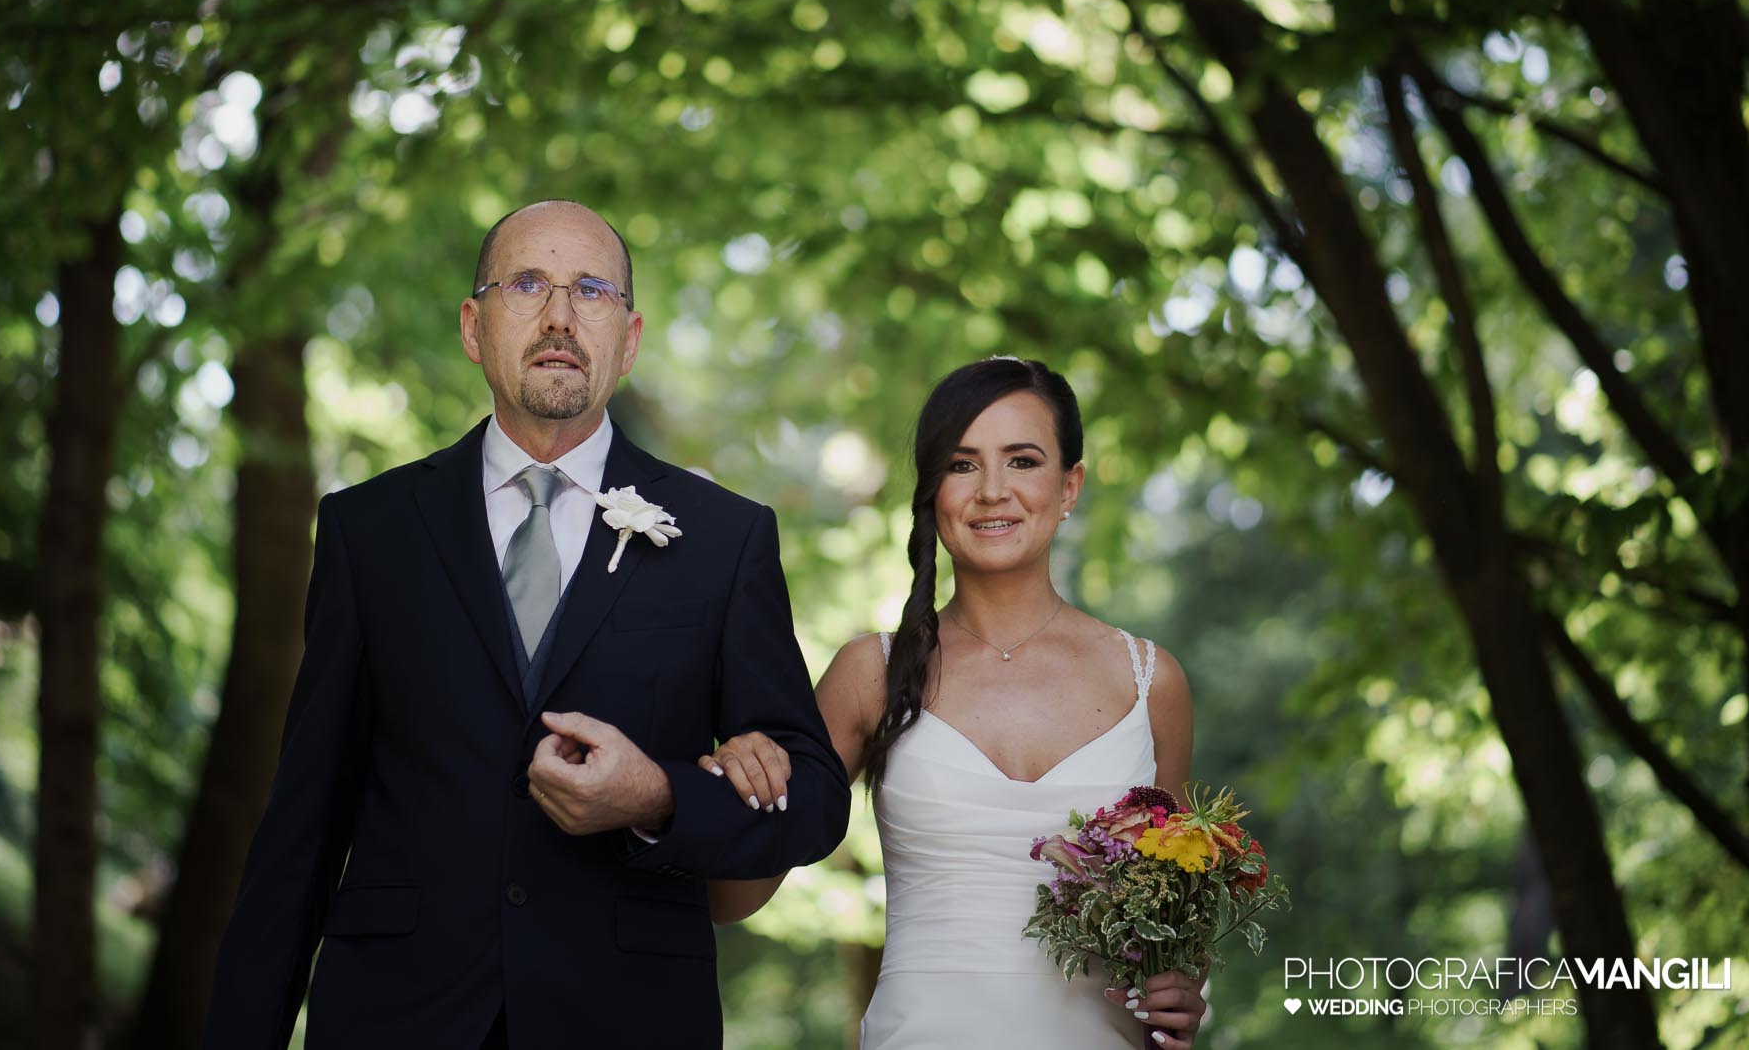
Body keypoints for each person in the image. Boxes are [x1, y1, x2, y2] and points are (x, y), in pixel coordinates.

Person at [203, 200, 851, 1049]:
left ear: (630, 336)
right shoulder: (372, 531)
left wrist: (658, 794)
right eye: (527, 284)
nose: (559, 315)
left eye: (591, 290)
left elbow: (814, 802)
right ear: (475, 326)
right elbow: (303, 824)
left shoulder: (725, 538)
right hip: (396, 1017)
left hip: (627, 1018)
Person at [701, 357, 1212, 1048]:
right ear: (932, 491)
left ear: (1069, 487)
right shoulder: (868, 674)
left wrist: (1182, 985)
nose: (993, 491)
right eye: (963, 464)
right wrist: (734, 780)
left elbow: (1177, 920)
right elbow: (731, 898)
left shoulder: (1152, 681)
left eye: (1022, 460)